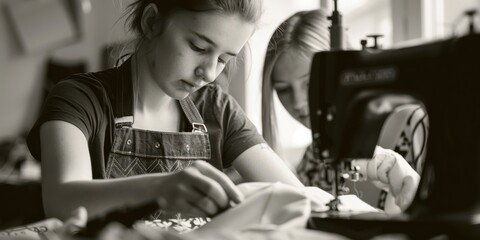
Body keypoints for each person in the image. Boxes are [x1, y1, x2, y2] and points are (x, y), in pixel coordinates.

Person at [27, 0, 305, 230]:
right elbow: (61, 200)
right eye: (198, 47)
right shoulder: (79, 97)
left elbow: (297, 199)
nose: (209, 73)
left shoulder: (218, 108)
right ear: (151, 22)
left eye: (223, 59)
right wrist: (159, 188)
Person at [261, 9, 424, 213]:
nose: (299, 103)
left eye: (310, 84)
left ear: (345, 73)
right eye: (283, 89)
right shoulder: (315, 156)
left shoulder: (414, 127)